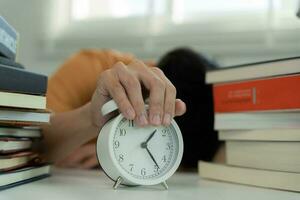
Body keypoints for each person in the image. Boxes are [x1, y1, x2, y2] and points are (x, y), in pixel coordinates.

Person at [42, 48, 220, 169]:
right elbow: (30, 141)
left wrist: (125, 154)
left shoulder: (205, 119)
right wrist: (91, 119)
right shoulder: (90, 67)